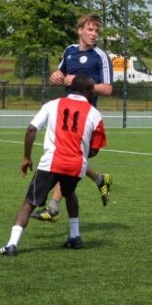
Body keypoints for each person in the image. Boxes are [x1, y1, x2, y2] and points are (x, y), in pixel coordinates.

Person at [0, 75, 106, 256]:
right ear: (87, 92)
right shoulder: (95, 114)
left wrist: (26, 157)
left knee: (30, 202)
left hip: (51, 163)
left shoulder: (52, 104)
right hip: (75, 165)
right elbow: (94, 150)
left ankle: (11, 244)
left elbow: (32, 129)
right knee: (69, 193)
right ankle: (75, 236)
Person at [37, 13, 114, 221]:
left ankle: (53, 207)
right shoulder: (69, 51)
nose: (94, 34)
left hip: (86, 117)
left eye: (97, 30)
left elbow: (107, 89)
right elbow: (61, 74)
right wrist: (56, 75)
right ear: (80, 30)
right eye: (90, 29)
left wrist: (81, 83)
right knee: (70, 158)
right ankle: (99, 179)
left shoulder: (101, 57)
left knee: (68, 158)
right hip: (66, 114)